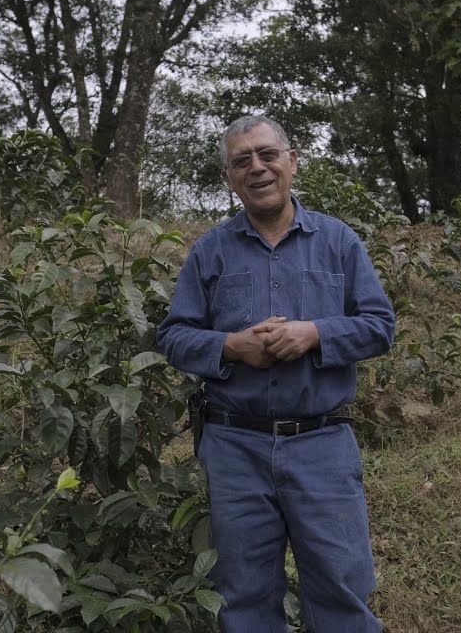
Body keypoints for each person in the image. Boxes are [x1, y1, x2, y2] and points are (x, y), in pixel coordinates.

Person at [156, 114, 395, 632]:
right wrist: (232, 346)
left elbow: (379, 326)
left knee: (341, 590)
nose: (257, 168)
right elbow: (173, 336)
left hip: (322, 443)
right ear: (229, 178)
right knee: (243, 595)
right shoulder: (210, 250)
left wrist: (316, 334)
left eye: (267, 154)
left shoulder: (338, 241)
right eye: (242, 161)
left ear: (292, 161)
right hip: (234, 447)